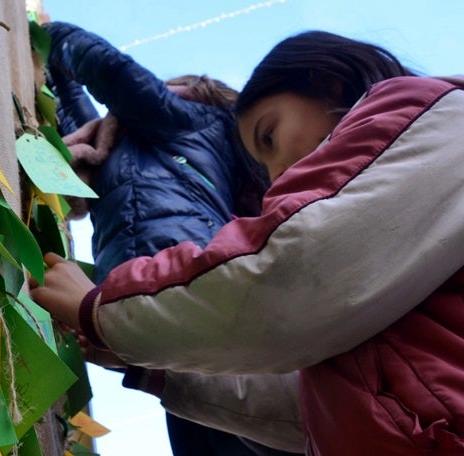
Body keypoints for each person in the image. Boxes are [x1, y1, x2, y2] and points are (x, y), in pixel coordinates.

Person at [30, 30, 464, 455]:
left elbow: (293, 272)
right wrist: (153, 365)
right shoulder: (385, 290)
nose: (279, 174)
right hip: (179, 304)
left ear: (329, 83)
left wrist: (52, 38)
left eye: (270, 136)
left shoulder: (441, 115)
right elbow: (317, 399)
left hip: (184, 283)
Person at [42, 21, 292, 456]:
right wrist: (55, 76)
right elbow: (79, 115)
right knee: (204, 419)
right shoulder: (124, 147)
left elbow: (111, 69)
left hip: (176, 281)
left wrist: (49, 37)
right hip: (151, 300)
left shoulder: (188, 117)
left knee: (228, 421)